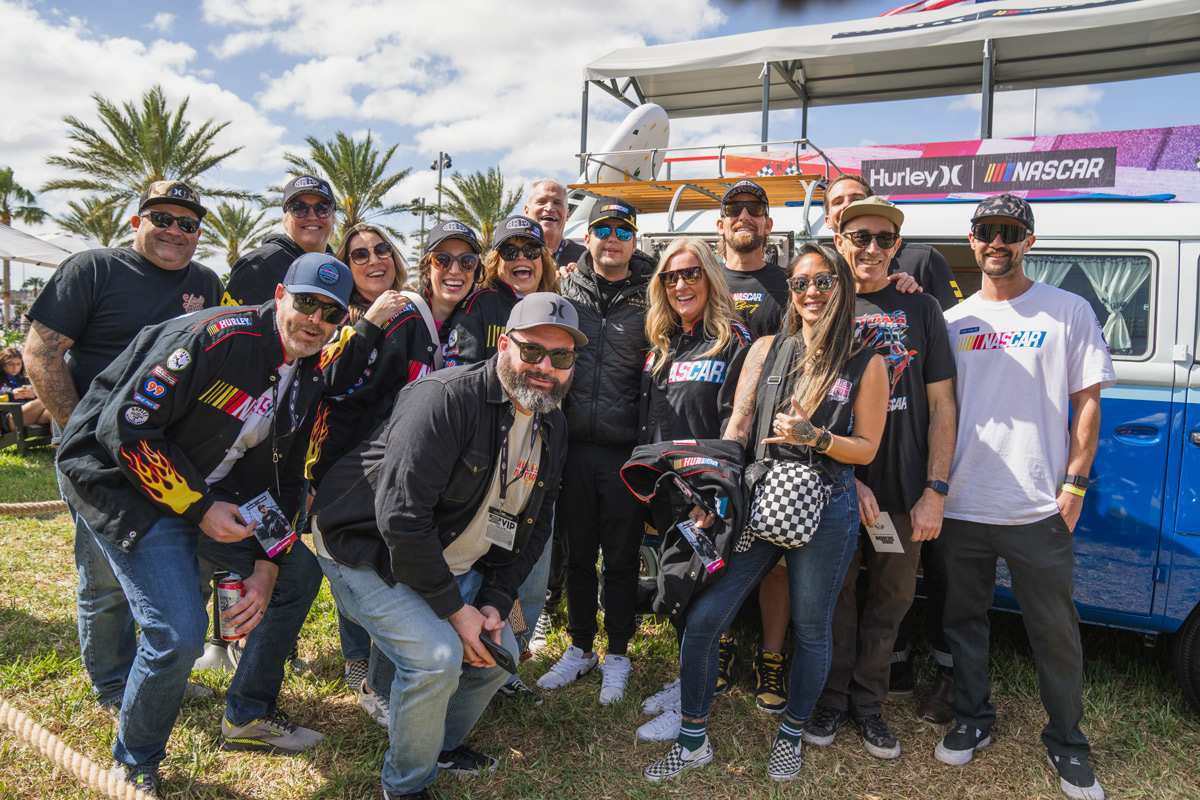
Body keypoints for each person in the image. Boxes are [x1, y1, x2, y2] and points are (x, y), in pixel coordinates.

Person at [56, 252, 354, 796]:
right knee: (179, 633)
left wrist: (269, 560)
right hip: (128, 484)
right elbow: (127, 429)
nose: (316, 319)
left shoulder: (312, 371)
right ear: (282, 293)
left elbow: (286, 474)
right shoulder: (216, 335)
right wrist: (198, 508)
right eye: (307, 302)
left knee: (298, 573)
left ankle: (248, 714)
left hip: (213, 489)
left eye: (331, 312)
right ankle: (135, 762)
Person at [309, 293, 583, 800]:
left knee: (500, 654)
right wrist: (457, 613)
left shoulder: (554, 424)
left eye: (561, 357)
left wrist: (495, 602)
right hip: (365, 548)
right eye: (533, 351)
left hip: (452, 554)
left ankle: (436, 743)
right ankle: (406, 786)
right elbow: (401, 520)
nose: (546, 367)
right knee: (438, 657)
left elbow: (535, 525)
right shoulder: (444, 398)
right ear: (504, 345)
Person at [643, 242, 888, 782]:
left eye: (823, 281)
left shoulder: (866, 362)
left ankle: (791, 734)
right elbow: (738, 426)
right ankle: (691, 741)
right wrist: (714, 494)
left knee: (812, 626)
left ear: (842, 288)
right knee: (706, 618)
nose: (811, 293)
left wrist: (816, 437)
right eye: (800, 283)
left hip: (827, 507)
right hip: (758, 501)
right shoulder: (766, 349)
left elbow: (867, 446)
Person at [934, 194, 1114, 800]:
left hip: (1039, 507)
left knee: (1054, 633)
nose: (997, 241)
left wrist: (1075, 483)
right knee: (963, 624)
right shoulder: (954, 322)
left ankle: (1068, 745)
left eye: (1010, 231)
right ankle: (972, 721)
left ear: (1029, 239)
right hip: (963, 504)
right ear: (973, 238)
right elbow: (944, 410)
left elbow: (1088, 401)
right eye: (987, 230)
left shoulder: (1067, 310)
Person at [23, 181, 223, 717]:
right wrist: (83, 433)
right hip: (101, 463)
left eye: (188, 223)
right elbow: (42, 354)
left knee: (186, 568)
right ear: (137, 221)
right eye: (162, 217)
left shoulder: (205, 281)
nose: (175, 231)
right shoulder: (92, 269)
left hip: (175, 460)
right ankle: (113, 683)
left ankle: (162, 668)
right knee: (107, 579)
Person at [802, 197, 957, 760]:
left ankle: (869, 706)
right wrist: (848, 476)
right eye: (859, 236)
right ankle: (831, 699)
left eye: (884, 238)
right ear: (838, 238)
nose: (871, 248)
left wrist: (934, 491)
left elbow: (943, 405)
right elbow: (804, 397)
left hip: (904, 490)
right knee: (834, 600)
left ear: (898, 245)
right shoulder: (818, 300)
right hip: (836, 485)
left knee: (890, 604)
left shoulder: (922, 308)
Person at [305, 222, 434, 718]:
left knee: (384, 561)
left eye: (382, 248)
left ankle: (385, 658)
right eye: (359, 254)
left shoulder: (416, 311)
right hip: (341, 460)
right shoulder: (335, 316)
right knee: (349, 559)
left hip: (396, 460)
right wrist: (370, 323)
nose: (374, 259)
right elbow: (330, 380)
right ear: (346, 265)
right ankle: (357, 657)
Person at [537, 198, 656, 706]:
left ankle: (620, 654)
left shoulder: (654, 293)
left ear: (634, 240)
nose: (612, 237)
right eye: (602, 228)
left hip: (626, 452)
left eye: (622, 231)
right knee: (579, 555)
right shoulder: (564, 286)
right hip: (573, 448)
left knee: (624, 560)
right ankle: (581, 646)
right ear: (586, 238)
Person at [634, 237, 752, 742]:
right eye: (670, 277)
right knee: (677, 588)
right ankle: (688, 679)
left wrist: (717, 494)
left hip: (706, 494)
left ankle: (695, 698)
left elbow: (737, 421)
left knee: (700, 597)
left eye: (691, 274)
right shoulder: (664, 342)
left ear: (710, 277)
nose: (681, 284)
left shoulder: (733, 340)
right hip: (664, 489)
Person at [823, 172, 962, 310]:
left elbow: (954, 322)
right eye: (838, 202)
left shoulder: (923, 260)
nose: (847, 205)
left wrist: (905, 296)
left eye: (856, 200)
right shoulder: (823, 272)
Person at [443, 215, 559, 367]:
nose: (521, 257)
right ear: (496, 262)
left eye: (531, 250)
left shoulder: (557, 306)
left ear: (543, 260)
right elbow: (462, 377)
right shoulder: (478, 306)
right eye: (509, 251)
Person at [223, 175, 337, 306]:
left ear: (333, 218)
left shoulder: (341, 269)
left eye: (322, 208)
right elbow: (229, 323)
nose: (312, 216)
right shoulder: (257, 265)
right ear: (286, 219)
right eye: (299, 208)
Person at [717, 179, 790, 338]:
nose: (744, 216)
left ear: (768, 226)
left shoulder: (790, 283)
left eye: (755, 209)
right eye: (734, 209)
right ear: (721, 226)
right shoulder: (706, 283)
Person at [525, 179, 587, 266]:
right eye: (541, 202)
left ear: (567, 214)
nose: (550, 208)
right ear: (527, 212)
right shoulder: (512, 254)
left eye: (557, 203)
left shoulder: (584, 259)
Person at [0, 346, 51, 428]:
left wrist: (33, 395)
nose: (15, 368)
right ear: (2, 364)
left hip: (27, 415)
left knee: (52, 414)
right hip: (7, 418)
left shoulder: (25, 380)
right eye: (10, 364)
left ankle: (60, 440)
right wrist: (11, 395)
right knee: (50, 400)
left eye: (18, 364)